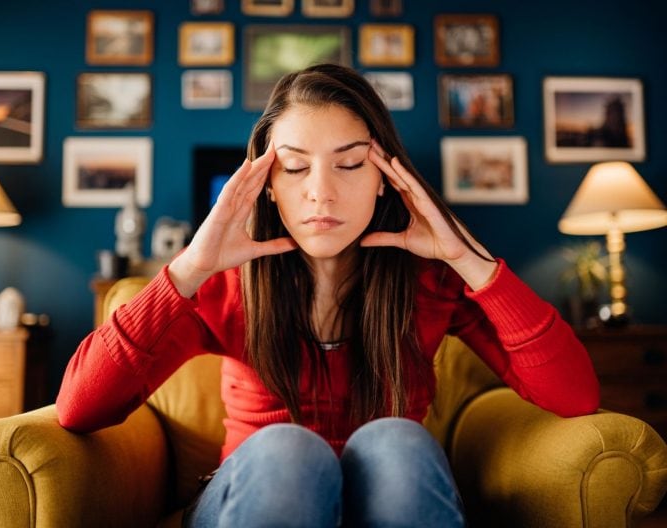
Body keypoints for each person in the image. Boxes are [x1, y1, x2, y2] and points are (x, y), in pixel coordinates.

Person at [57, 63, 600, 527]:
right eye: (294, 167)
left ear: (387, 177)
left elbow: (574, 396)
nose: (321, 190)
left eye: (349, 164)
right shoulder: (222, 284)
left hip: (394, 496)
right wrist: (190, 268)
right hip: (255, 497)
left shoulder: (432, 282)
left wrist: (469, 260)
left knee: (396, 442)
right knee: (288, 449)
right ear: (267, 183)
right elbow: (80, 407)